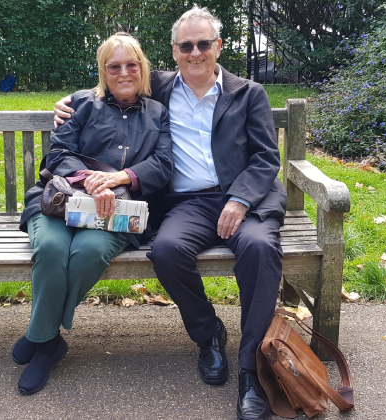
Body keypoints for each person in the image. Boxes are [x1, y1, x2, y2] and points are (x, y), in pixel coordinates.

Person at [54, 7, 285, 420]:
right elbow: (112, 83)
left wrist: (241, 200)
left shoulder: (249, 93)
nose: (195, 53)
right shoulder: (157, 85)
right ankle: (208, 333)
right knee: (166, 250)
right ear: (175, 51)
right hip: (189, 203)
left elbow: (267, 159)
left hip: (241, 199)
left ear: (218, 46)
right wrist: (68, 102)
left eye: (203, 44)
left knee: (259, 250)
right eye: (186, 45)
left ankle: (253, 371)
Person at [15, 32, 173, 396]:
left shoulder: (159, 113)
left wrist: (120, 180)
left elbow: (164, 164)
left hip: (117, 211)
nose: (123, 72)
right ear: (103, 71)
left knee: (86, 252)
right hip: (60, 202)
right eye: (113, 66)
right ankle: (49, 341)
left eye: (131, 65)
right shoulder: (82, 104)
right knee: (52, 250)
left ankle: (42, 337)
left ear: (142, 68)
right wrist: (90, 180)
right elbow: (58, 154)